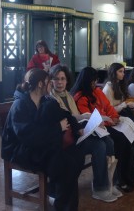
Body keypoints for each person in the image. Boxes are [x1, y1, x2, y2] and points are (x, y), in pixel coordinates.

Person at [1, 69, 84, 210]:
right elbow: (29, 136)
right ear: (40, 84)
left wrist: (76, 127)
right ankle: (61, 203)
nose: (51, 85)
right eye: (48, 83)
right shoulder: (20, 104)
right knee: (67, 165)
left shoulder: (45, 100)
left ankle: (60, 199)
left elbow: (64, 114)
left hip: (39, 144)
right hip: (20, 149)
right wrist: (58, 127)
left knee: (76, 155)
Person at [49, 64, 119, 202]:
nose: (60, 82)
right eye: (56, 79)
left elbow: (75, 117)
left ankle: (108, 182)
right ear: (51, 81)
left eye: (63, 79)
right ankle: (100, 188)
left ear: (67, 81)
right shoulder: (51, 99)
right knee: (99, 146)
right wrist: (86, 117)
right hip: (65, 138)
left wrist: (90, 120)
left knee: (107, 140)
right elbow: (66, 119)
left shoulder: (68, 96)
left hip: (76, 133)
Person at [71, 66, 134, 193]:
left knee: (128, 137)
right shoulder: (80, 97)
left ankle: (128, 175)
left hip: (107, 124)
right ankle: (119, 179)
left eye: (95, 81)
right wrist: (109, 121)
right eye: (92, 82)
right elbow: (90, 118)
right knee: (120, 139)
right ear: (86, 81)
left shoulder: (97, 91)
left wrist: (115, 117)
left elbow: (107, 106)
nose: (95, 84)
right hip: (96, 129)